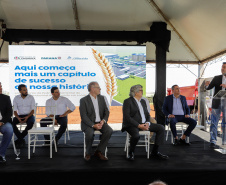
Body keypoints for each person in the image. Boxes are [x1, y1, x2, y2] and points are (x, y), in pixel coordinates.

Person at [122, 84, 168, 161]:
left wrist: (147, 123)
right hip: (132, 125)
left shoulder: (143, 101)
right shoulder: (127, 101)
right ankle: (131, 153)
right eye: (140, 90)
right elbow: (127, 117)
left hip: (144, 124)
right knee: (136, 135)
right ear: (135, 92)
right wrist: (138, 125)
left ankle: (155, 152)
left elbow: (147, 114)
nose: (142, 91)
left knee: (161, 128)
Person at [80, 81, 113, 161]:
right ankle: (88, 153)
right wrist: (93, 125)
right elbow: (83, 116)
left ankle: (99, 151)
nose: (100, 89)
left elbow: (106, 111)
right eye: (98, 87)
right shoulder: (83, 100)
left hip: (101, 122)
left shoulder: (102, 98)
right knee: (90, 133)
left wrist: (103, 120)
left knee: (109, 130)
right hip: (88, 124)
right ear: (92, 89)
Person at [205, 62, 226, 148]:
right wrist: (207, 85)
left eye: (224, 67)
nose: (222, 69)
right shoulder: (216, 78)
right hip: (216, 102)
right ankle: (213, 140)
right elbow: (209, 87)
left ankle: (224, 140)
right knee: (214, 122)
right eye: (222, 67)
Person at [0, 82, 13, 163]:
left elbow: (9, 113)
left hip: (3, 122)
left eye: (1, 86)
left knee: (9, 130)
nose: (1, 88)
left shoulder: (6, 98)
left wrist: (2, 122)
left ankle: (1, 154)